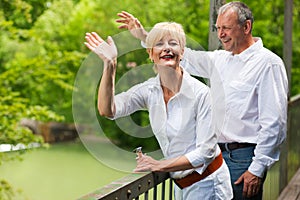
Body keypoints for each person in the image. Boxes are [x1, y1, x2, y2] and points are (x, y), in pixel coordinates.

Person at [116, 1, 288, 199]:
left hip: (243, 160)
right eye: (218, 28)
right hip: (213, 157)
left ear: (246, 27)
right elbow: (183, 56)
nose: (221, 34)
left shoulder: (268, 63)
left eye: (226, 28)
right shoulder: (221, 59)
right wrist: (146, 38)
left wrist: (257, 169)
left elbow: (274, 123)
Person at [84, 22, 233, 199]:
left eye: (173, 43)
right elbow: (108, 110)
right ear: (150, 53)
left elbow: (206, 152)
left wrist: (158, 165)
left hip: (210, 185)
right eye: (159, 44)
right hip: (181, 185)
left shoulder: (202, 94)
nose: (167, 48)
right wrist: (110, 65)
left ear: (183, 51)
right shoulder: (149, 91)